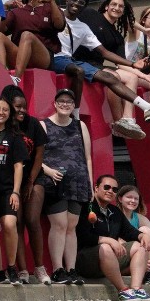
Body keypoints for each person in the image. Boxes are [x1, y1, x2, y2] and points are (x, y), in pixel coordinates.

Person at [49, 0, 150, 141]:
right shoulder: (90, 14)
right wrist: (145, 29)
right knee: (114, 75)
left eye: (121, 6)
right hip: (74, 61)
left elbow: (113, 58)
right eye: (114, 4)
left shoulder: (115, 36)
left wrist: (139, 70)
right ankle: (119, 120)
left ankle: (128, 120)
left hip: (93, 64)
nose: (117, 8)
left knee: (133, 78)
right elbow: (67, 10)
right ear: (106, 6)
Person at [37, 88, 94, 285]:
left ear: (73, 106)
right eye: (61, 101)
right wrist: (48, 171)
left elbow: (87, 157)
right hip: (54, 183)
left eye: (69, 102)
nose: (65, 104)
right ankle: (57, 269)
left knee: (72, 226)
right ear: (54, 103)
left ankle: (71, 269)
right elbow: (35, 156)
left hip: (78, 183)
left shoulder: (80, 126)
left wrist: (90, 184)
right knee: (59, 224)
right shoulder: (43, 125)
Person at [75, 174, 150, 301]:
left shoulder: (115, 211)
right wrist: (107, 240)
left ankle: (136, 290)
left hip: (110, 260)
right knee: (106, 247)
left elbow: (129, 232)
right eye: (107, 187)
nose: (110, 191)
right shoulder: (86, 207)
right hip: (86, 260)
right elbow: (81, 236)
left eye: (114, 189)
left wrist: (142, 235)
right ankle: (123, 291)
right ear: (96, 188)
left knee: (139, 246)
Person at [3, 85, 50, 284]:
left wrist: (30, 180)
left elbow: (39, 154)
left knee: (32, 219)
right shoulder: (4, 125)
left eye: (24, 107)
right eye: (17, 107)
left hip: (33, 177)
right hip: (12, 179)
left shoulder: (33, 124)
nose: (22, 110)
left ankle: (39, 268)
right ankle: (22, 270)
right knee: (18, 223)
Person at [0, 97, 27, 285]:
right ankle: (0, 272)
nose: (1, 112)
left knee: (9, 224)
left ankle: (11, 266)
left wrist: (16, 192)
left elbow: (19, 166)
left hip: (7, 189)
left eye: (5, 110)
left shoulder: (14, 136)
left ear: (9, 114)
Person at [0, 0, 63, 84]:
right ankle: (2, 75)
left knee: (27, 35)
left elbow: (59, 25)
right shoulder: (17, 11)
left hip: (42, 56)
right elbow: (1, 29)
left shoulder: (49, 8)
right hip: (19, 55)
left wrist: (51, 1)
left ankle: (16, 79)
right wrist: (5, 7)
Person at [116, 185, 150, 286]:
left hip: (142, 259)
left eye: (136, 198)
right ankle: (144, 272)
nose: (133, 201)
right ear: (120, 199)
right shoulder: (114, 215)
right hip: (121, 260)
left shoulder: (140, 218)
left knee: (145, 230)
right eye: (129, 197)